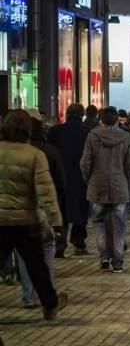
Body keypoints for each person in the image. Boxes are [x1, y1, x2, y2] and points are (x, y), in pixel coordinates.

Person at [0, 110, 68, 320]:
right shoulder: (34, 155)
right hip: (25, 221)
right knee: (37, 267)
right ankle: (49, 305)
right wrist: (56, 222)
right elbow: (46, 192)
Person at [16, 115, 66, 309]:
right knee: (42, 251)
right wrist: (55, 218)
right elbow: (52, 188)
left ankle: (29, 297)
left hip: (7, 214)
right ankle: (47, 299)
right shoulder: (41, 153)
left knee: (22, 256)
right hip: (34, 213)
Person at [80, 107, 130, 273]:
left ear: (100, 121)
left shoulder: (92, 136)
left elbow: (85, 163)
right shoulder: (126, 137)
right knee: (118, 226)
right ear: (118, 120)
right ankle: (118, 262)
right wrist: (126, 182)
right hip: (120, 187)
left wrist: (88, 180)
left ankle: (104, 258)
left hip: (97, 186)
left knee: (99, 224)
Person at [47, 103, 91, 258]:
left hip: (59, 176)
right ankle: (79, 242)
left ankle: (60, 244)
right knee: (80, 211)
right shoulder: (88, 132)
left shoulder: (55, 131)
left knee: (61, 211)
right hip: (81, 177)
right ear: (82, 115)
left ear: (67, 114)